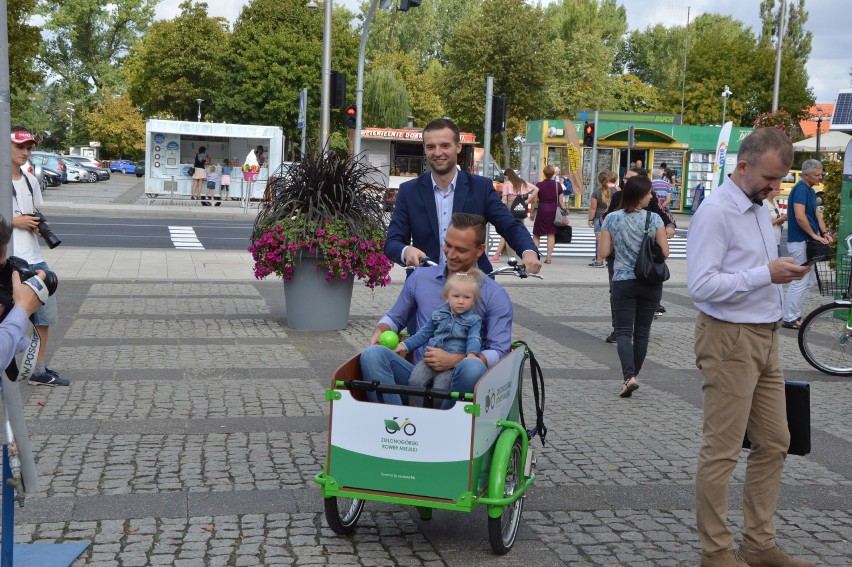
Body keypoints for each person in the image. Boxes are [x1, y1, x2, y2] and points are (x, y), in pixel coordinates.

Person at [687, 127, 814, 567]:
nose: (775, 188)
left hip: (765, 336)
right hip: (728, 338)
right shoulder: (716, 212)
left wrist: (781, 274)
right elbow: (700, 286)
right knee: (721, 449)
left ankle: (758, 544)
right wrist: (766, 274)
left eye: (779, 181)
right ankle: (717, 552)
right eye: (770, 179)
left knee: (776, 441)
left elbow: (756, 268)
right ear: (743, 166)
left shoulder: (760, 207)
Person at [361, 213, 512, 408]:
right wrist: (380, 330)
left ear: (479, 250)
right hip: (417, 373)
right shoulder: (420, 278)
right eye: (448, 245)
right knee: (372, 355)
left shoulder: (495, 295)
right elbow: (394, 318)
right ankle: (397, 422)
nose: (451, 254)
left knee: (472, 367)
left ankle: (445, 421)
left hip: (460, 379)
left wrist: (456, 360)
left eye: (461, 250)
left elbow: (500, 351)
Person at [385, 118, 541, 276]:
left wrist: (528, 252)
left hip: (473, 285)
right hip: (426, 283)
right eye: (431, 147)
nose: (438, 153)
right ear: (424, 148)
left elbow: (510, 225)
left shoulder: (481, 188)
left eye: (445, 145)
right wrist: (406, 251)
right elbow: (392, 242)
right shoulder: (409, 191)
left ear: (458, 147)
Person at [9, 127, 69, 386]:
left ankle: (38, 369)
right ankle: (5, 370)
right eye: (20, 147)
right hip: (9, 260)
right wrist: (15, 221)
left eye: (29, 148)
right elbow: (15, 218)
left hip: (35, 257)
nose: (25, 153)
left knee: (44, 317)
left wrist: (35, 225)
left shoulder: (30, 180)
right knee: (8, 318)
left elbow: (30, 211)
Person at [598, 176, 668, 398]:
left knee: (623, 332)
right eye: (649, 193)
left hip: (623, 281)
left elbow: (604, 254)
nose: (651, 197)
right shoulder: (655, 219)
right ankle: (631, 376)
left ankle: (629, 377)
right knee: (642, 334)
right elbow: (664, 253)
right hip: (650, 282)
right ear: (639, 196)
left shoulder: (611, 219)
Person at [602, 168, 675, 343]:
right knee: (616, 291)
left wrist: (670, 226)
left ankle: (639, 324)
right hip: (618, 257)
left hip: (645, 257)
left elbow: (663, 215)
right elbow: (605, 218)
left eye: (629, 179)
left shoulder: (650, 198)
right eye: (625, 178)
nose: (625, 181)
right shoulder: (617, 198)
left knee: (640, 287)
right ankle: (618, 328)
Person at [394, 271, 483, 408]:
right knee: (415, 381)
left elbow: (474, 338)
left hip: (451, 367)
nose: (460, 301)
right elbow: (423, 334)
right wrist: (404, 346)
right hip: (428, 360)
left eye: (467, 297)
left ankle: (438, 415)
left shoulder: (474, 320)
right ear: (447, 297)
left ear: (473, 301)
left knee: (441, 389)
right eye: (456, 296)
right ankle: (414, 411)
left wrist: (471, 355)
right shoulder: (437, 315)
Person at [781, 159, 831, 330]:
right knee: (800, 280)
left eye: (821, 174)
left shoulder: (810, 190)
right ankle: (789, 318)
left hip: (806, 241)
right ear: (806, 174)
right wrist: (813, 235)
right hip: (799, 240)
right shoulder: (801, 189)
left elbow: (817, 214)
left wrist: (824, 233)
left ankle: (794, 315)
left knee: (808, 281)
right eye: (817, 174)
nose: (820, 177)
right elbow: (799, 216)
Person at [491, 169, 536, 263]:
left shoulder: (507, 183)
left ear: (507, 175)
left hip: (511, 206)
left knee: (507, 230)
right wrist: (528, 200)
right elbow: (536, 189)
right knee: (517, 229)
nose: (505, 178)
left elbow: (504, 198)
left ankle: (507, 255)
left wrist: (500, 208)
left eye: (505, 176)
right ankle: (498, 255)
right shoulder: (521, 182)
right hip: (520, 206)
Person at [528, 164, 564, 264]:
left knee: (536, 234)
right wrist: (565, 211)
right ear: (553, 174)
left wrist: (532, 213)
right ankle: (548, 257)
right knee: (551, 234)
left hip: (542, 209)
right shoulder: (558, 185)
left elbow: (534, 200)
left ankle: (535, 256)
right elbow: (561, 202)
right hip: (553, 210)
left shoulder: (539, 185)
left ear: (544, 173)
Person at [588, 171, 616, 268]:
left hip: (599, 217)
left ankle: (599, 261)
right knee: (611, 240)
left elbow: (593, 208)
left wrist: (590, 219)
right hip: (612, 218)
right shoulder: (615, 191)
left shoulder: (596, 192)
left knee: (600, 241)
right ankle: (610, 261)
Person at [765, 186, 787, 256]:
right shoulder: (764, 203)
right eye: (776, 188)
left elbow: (776, 219)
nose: (778, 190)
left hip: (776, 240)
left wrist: (781, 219)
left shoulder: (774, 200)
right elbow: (764, 225)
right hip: (769, 241)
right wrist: (780, 219)